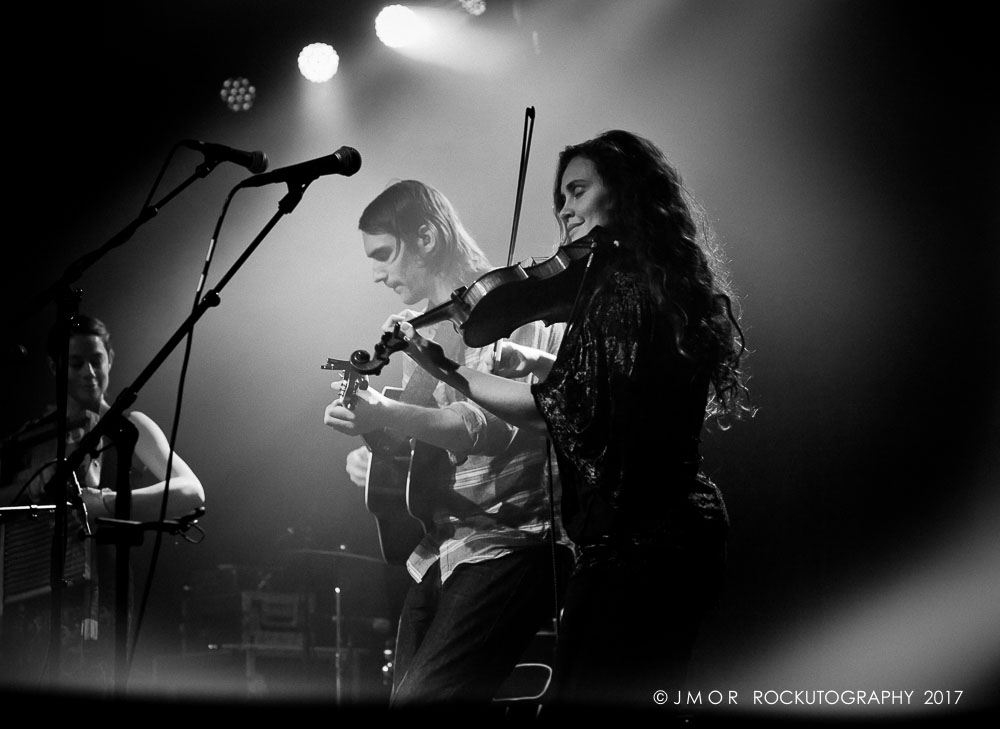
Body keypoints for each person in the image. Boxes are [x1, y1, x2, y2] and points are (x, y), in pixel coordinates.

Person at [394, 130, 752, 709]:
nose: (563, 209)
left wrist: (447, 369)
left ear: (625, 191)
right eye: (561, 197)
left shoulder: (623, 290)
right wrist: (538, 361)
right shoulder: (656, 282)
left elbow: (554, 410)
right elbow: (616, 393)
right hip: (670, 531)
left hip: (643, 541)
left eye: (578, 191)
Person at [323, 180, 571, 708]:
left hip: (511, 544)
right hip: (441, 547)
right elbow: (425, 436)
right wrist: (375, 441)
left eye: (384, 254)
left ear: (427, 238)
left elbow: (486, 430)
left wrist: (385, 412)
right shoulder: (422, 329)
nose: (377, 273)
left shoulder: (507, 311)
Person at [0, 314, 205, 690]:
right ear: (54, 367)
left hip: (99, 605)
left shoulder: (128, 427)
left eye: (96, 360)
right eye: (76, 363)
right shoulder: (30, 438)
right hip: (29, 607)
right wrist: (31, 487)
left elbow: (191, 491)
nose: (89, 373)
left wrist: (104, 503)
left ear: (110, 358)